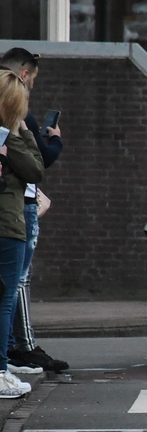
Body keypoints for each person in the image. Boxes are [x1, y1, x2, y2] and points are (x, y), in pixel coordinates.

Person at [0, 48, 68, 374]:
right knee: (14, 285)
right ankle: (17, 351)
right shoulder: (16, 120)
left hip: (15, 210)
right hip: (14, 214)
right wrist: (51, 141)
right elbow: (36, 165)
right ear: (23, 76)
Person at [0, 69, 44, 397]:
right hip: (8, 225)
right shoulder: (8, 138)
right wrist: (24, 132)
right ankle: (1, 371)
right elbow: (35, 169)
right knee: (5, 300)